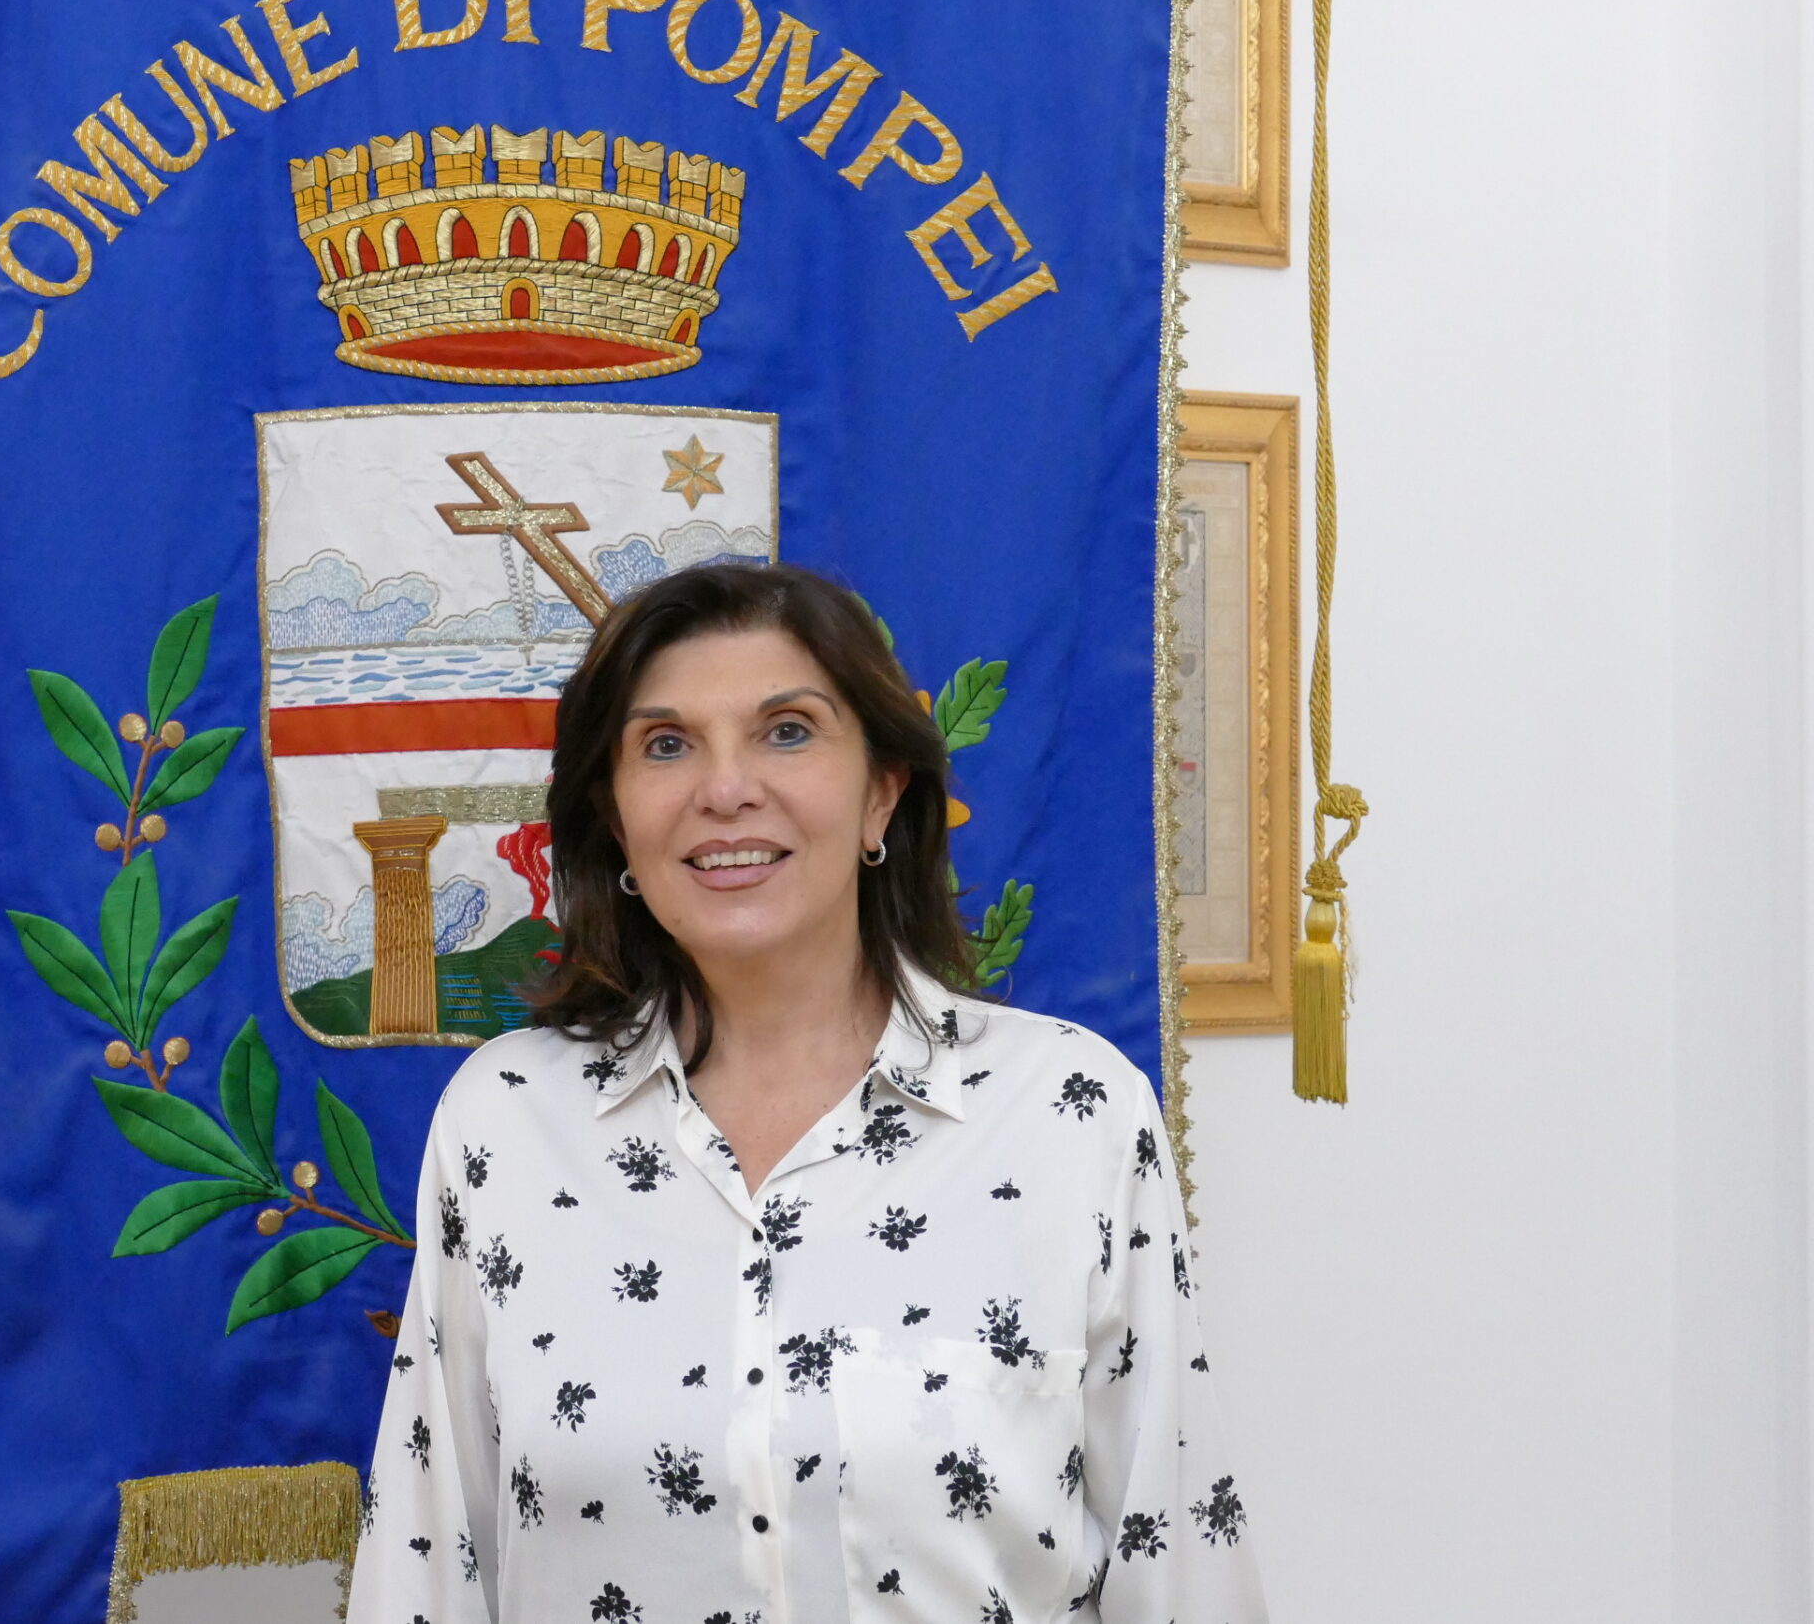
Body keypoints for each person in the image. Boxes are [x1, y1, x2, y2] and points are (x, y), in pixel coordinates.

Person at [347, 562, 1267, 1624]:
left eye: (787, 732)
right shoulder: (504, 1120)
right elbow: (428, 1561)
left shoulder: (1074, 1111)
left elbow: (1177, 1556)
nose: (725, 788)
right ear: (614, 815)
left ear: (882, 792)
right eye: (665, 745)